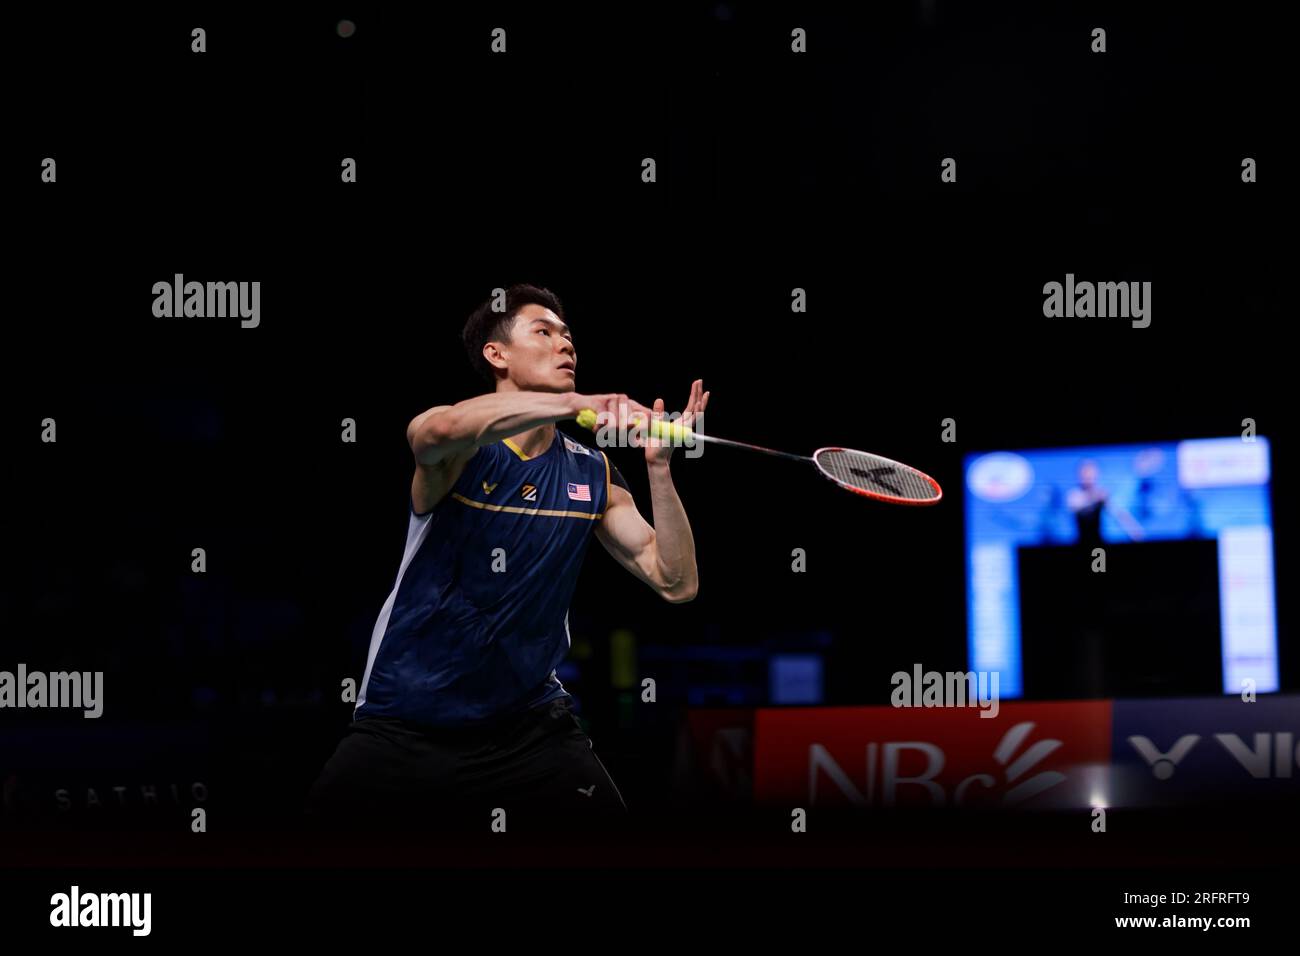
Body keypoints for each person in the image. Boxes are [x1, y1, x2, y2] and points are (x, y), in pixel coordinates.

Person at [307, 284, 709, 831]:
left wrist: (659, 469)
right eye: (543, 332)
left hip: (527, 727)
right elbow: (437, 430)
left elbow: (675, 581)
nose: (565, 345)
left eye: (568, 336)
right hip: (404, 725)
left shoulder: (591, 474)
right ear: (496, 356)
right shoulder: (460, 450)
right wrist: (577, 404)